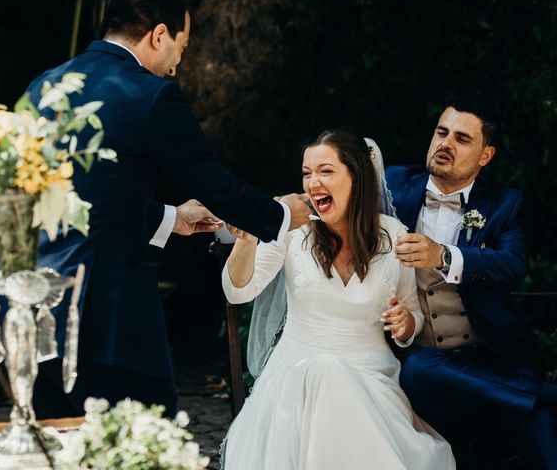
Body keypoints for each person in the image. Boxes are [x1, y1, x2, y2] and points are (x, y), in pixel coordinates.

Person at [24, 0, 310, 419]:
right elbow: (217, 186)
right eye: (182, 46)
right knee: (148, 428)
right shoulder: (151, 95)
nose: (178, 64)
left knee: (52, 441)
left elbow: (76, 197)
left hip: (26, 304)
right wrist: (285, 215)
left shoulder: (44, 85)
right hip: (103, 315)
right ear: (160, 35)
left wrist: (171, 218)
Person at [220, 129, 455, 470]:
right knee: (324, 370)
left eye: (326, 171)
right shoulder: (292, 230)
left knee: (334, 376)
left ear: (357, 177)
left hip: (371, 379)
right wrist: (247, 239)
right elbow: (237, 290)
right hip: (293, 375)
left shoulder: (395, 234)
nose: (313, 183)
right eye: (306, 173)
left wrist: (405, 323)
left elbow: (414, 318)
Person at [387, 98, 557, 469]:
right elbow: (327, 201)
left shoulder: (506, 204)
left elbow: (512, 265)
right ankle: (547, 396)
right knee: (416, 369)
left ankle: (538, 401)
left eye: (462, 139)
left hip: (495, 358)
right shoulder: (393, 184)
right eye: (441, 132)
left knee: (535, 422)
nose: (445, 143)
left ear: (485, 154)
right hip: (426, 364)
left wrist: (444, 256)